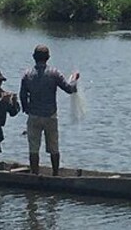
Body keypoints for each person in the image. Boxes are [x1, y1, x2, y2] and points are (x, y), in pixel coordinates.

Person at [19, 44, 80, 176]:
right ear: (48, 58)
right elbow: (69, 89)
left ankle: (34, 175)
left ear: (34, 57)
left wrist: (26, 108)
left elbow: (22, 95)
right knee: (54, 147)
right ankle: (56, 174)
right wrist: (74, 79)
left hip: (34, 116)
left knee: (33, 148)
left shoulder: (27, 75)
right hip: (50, 116)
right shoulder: (54, 73)